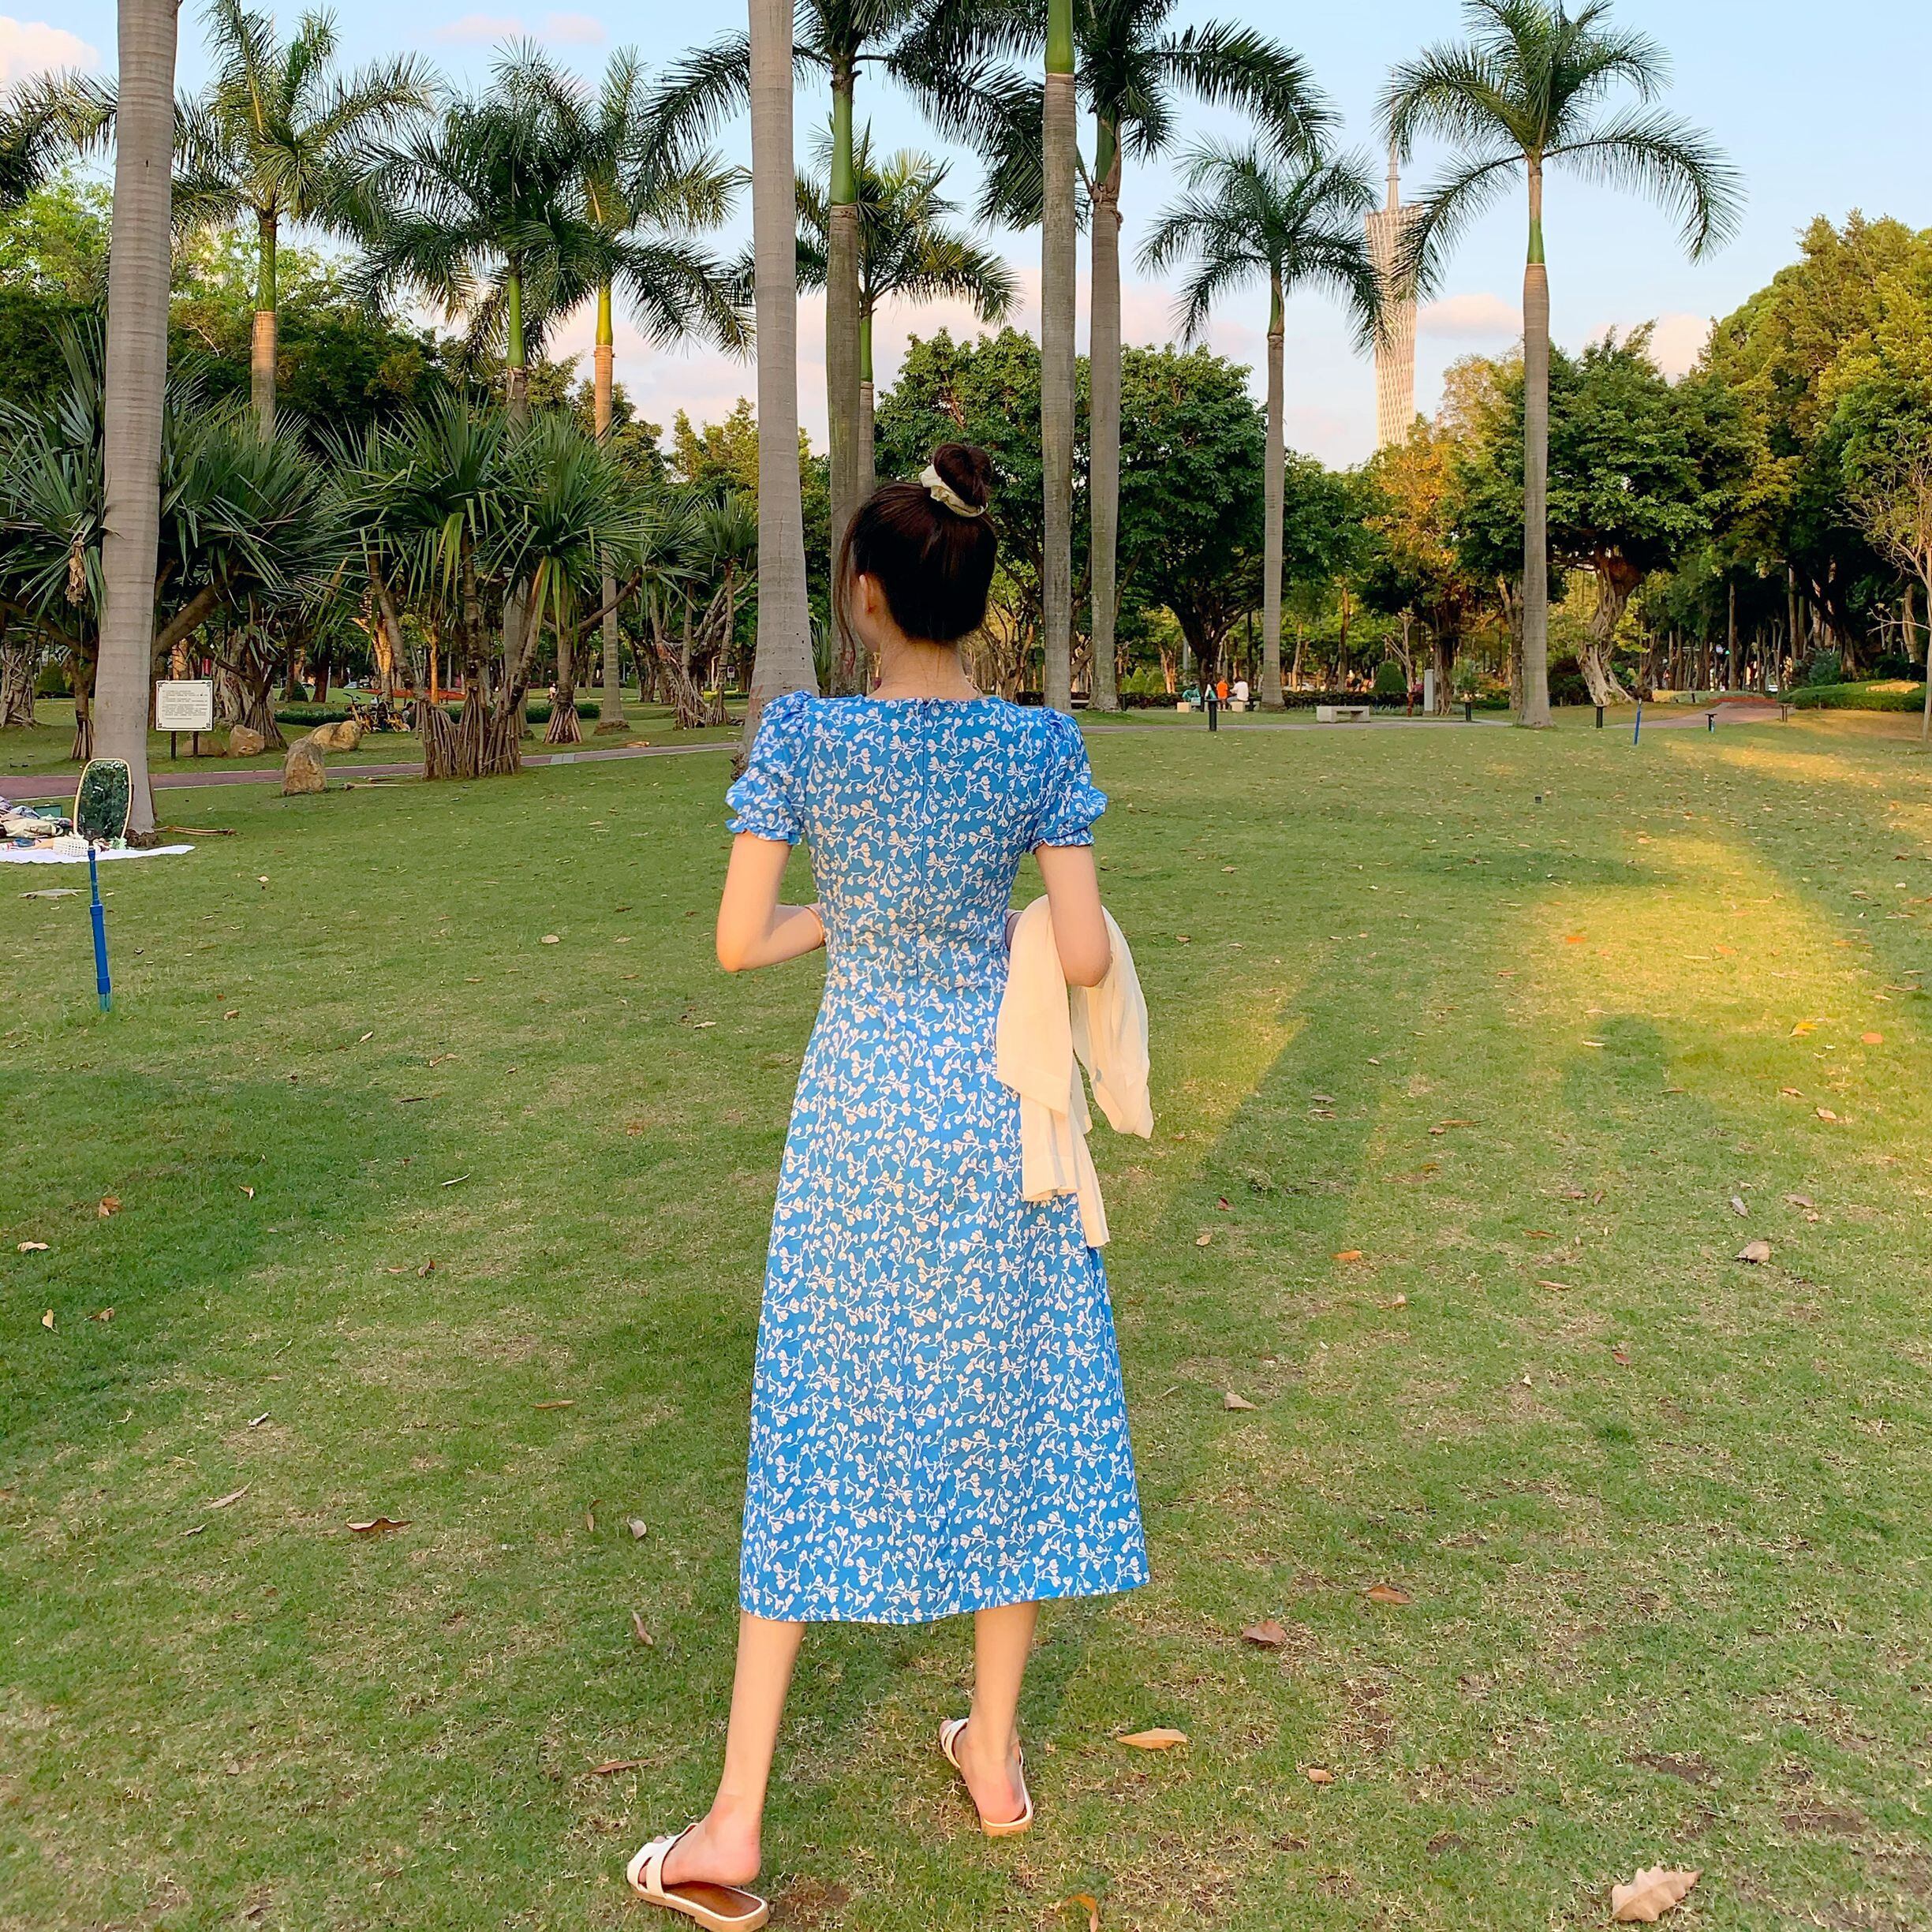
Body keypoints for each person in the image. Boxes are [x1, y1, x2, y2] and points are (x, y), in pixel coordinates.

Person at [628, 444, 1149, 1930]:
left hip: (856, 1119)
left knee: (813, 1420)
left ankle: (736, 1815)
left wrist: (846, 919)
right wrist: (982, 926)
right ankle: (992, 1755)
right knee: (1008, 1403)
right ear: (975, 601)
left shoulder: (805, 737)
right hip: (991, 1112)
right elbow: (1082, 951)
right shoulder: (1033, 747)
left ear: (862, 595)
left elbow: (738, 940)